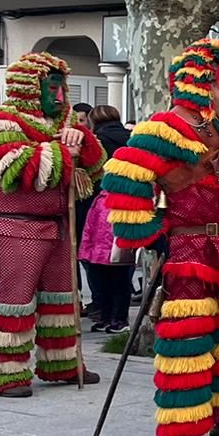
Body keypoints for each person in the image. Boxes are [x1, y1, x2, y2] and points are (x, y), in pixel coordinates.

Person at [102, 39, 219, 436]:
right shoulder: (165, 128)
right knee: (186, 335)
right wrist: (151, 232)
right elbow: (125, 178)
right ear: (203, 82)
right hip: (189, 246)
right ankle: (181, 427)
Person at [0, 52, 105, 396]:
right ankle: (6, 373)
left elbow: (93, 172)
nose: (61, 96)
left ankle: (62, 363)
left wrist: (85, 144)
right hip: (15, 226)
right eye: (52, 88)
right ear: (29, 89)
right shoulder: (1, 121)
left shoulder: (67, 125)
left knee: (62, 296)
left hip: (59, 224)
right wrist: (65, 152)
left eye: (61, 87)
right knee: (14, 299)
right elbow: (11, 169)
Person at [78, 105, 133, 333]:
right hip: (128, 206)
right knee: (120, 264)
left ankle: (108, 314)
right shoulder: (132, 139)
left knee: (100, 265)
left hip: (101, 205)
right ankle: (117, 317)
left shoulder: (96, 142)